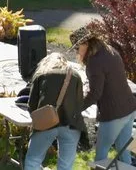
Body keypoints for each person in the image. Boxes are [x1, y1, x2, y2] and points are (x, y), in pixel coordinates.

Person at [71, 26, 136, 164]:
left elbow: (95, 93)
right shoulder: (109, 50)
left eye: (77, 48)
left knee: (101, 157)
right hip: (129, 109)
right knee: (124, 152)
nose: (77, 52)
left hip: (114, 115)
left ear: (86, 43)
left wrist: (75, 109)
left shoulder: (94, 62)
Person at [23, 53, 85, 170]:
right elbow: (80, 103)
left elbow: (32, 105)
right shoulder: (75, 76)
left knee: (33, 160)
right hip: (71, 125)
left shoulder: (41, 74)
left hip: (47, 124)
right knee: (65, 165)